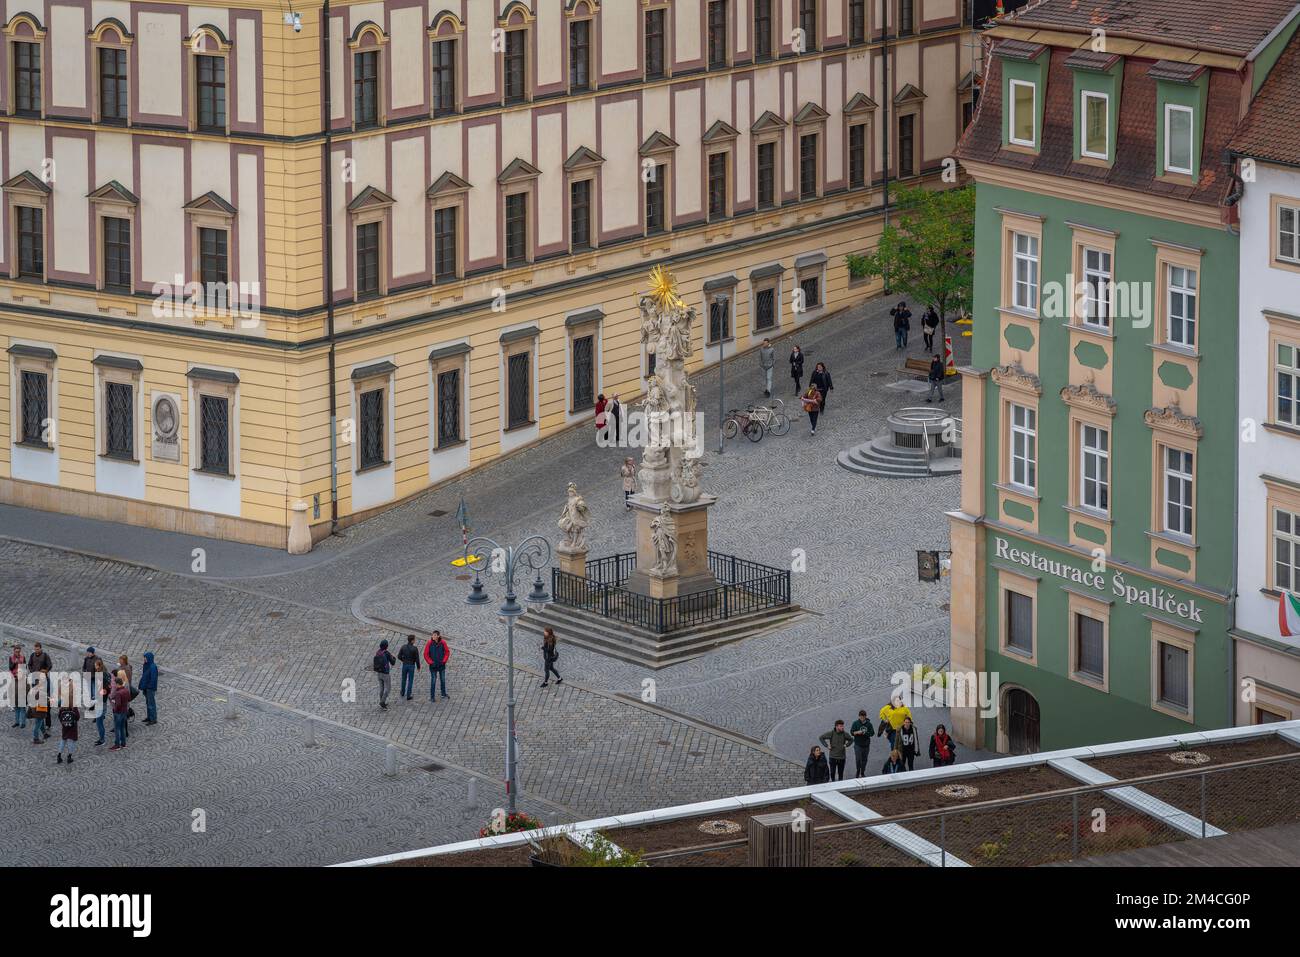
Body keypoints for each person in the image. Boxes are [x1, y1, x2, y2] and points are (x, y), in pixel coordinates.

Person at [56, 684, 80, 765]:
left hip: (64, 725)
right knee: (71, 741)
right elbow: (78, 716)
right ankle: (69, 756)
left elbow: (59, 715)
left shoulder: (63, 705)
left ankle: (59, 755)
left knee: (63, 740)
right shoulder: (73, 705)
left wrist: (63, 722)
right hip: (72, 726)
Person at [424, 631, 450, 700]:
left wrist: (444, 661)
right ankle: (432, 697)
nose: (433, 636)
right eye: (433, 635)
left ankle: (443, 694)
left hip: (441, 665)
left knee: (443, 680)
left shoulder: (443, 642)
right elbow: (426, 654)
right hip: (433, 666)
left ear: (438, 636)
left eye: (435, 635)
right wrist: (431, 662)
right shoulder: (429, 643)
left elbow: (447, 652)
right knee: (433, 681)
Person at [30, 665, 51, 744]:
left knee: (40, 721)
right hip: (39, 708)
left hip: (36, 706)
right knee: (38, 723)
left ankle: (44, 734)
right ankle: (36, 738)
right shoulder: (41, 687)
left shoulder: (37, 683)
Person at [373, 639, 396, 710]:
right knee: (388, 688)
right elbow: (393, 663)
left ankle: (381, 701)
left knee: (381, 688)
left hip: (379, 672)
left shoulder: (378, 652)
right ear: (386, 646)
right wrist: (394, 657)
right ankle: (382, 702)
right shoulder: (386, 653)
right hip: (385, 674)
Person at [397, 634, 421, 701]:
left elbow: (399, 656)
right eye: (414, 639)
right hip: (411, 666)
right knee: (410, 680)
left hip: (405, 665)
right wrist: (418, 667)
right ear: (412, 641)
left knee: (404, 679)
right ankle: (408, 695)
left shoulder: (403, 647)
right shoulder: (415, 649)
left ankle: (402, 692)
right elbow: (417, 659)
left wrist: (403, 660)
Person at [91, 658, 109, 746]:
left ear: (98, 666)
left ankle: (102, 739)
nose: (94, 667)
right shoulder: (102, 674)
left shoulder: (102, 676)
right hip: (101, 701)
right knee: (99, 721)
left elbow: (105, 690)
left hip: (101, 702)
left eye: (95, 665)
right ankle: (101, 738)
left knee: (99, 722)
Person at [109, 674, 130, 751]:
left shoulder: (118, 693)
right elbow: (129, 699)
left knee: (117, 729)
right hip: (124, 711)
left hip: (118, 713)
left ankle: (117, 744)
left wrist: (113, 702)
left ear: (118, 684)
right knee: (122, 728)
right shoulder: (126, 690)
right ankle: (123, 743)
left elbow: (118, 705)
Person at [849, 710, 873, 778]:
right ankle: (858, 771)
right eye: (861, 717)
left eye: (863, 717)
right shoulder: (855, 723)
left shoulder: (869, 724)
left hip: (866, 745)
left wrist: (865, 733)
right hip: (858, 745)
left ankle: (862, 772)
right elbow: (851, 732)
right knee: (858, 759)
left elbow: (872, 733)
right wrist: (856, 732)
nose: (862, 718)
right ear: (859, 716)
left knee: (864, 759)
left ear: (865, 716)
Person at [139, 651, 159, 725]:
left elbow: (153, 679)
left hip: (150, 688)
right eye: (144, 657)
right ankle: (149, 717)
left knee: (151, 704)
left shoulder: (153, 667)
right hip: (146, 688)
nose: (144, 659)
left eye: (145, 657)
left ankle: (153, 719)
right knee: (148, 703)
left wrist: (149, 687)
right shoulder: (146, 665)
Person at [8, 643, 25, 728]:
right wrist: (15, 663)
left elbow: (24, 668)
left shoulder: (23, 658)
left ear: (20, 651)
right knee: (16, 702)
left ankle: (23, 722)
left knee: (22, 703)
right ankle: (17, 721)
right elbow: (10, 668)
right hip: (14, 678)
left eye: (18, 652)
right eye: (16, 652)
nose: (17, 653)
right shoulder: (11, 658)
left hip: (21, 679)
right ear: (14, 652)